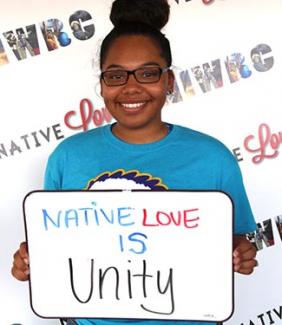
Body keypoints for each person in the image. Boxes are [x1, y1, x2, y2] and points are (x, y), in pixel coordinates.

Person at [12, 0, 258, 324]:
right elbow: (54, 248)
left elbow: (239, 240)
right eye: (116, 75)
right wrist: (31, 262)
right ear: (101, 86)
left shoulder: (214, 158)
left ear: (169, 81)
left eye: (147, 73)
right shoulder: (68, 157)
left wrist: (241, 253)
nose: (131, 87)